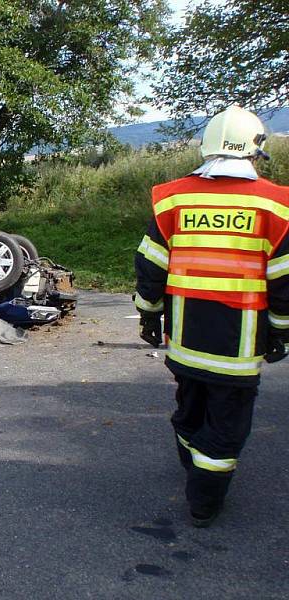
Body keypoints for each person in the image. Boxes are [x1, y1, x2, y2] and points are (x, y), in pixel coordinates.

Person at [134, 105, 289, 527]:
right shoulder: (277, 206)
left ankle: (193, 461)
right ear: (255, 152)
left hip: (185, 340)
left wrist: (148, 315)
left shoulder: (175, 198)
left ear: (208, 148)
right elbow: (284, 283)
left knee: (190, 407)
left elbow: (150, 264)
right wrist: (281, 332)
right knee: (226, 426)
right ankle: (204, 501)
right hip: (237, 349)